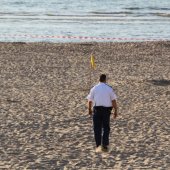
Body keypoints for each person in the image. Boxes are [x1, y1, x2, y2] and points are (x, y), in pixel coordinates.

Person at [87, 74, 118, 152]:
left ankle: (98, 146)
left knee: (97, 128)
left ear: (99, 79)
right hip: (106, 111)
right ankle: (104, 145)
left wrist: (89, 110)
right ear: (105, 80)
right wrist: (115, 111)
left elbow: (90, 100)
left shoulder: (94, 88)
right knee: (106, 128)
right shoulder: (109, 88)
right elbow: (113, 100)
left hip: (96, 110)